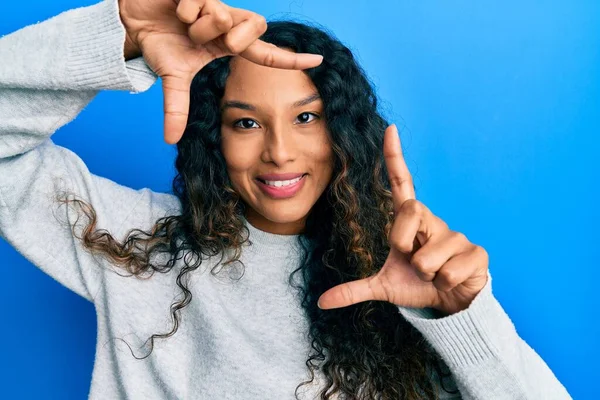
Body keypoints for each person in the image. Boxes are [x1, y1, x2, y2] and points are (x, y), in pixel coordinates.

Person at [0, 0, 572, 399]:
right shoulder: (139, 240)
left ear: (344, 131)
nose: (279, 151)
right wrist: (118, 33)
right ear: (214, 139)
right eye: (246, 123)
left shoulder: (408, 277)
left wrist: (461, 319)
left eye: (306, 118)